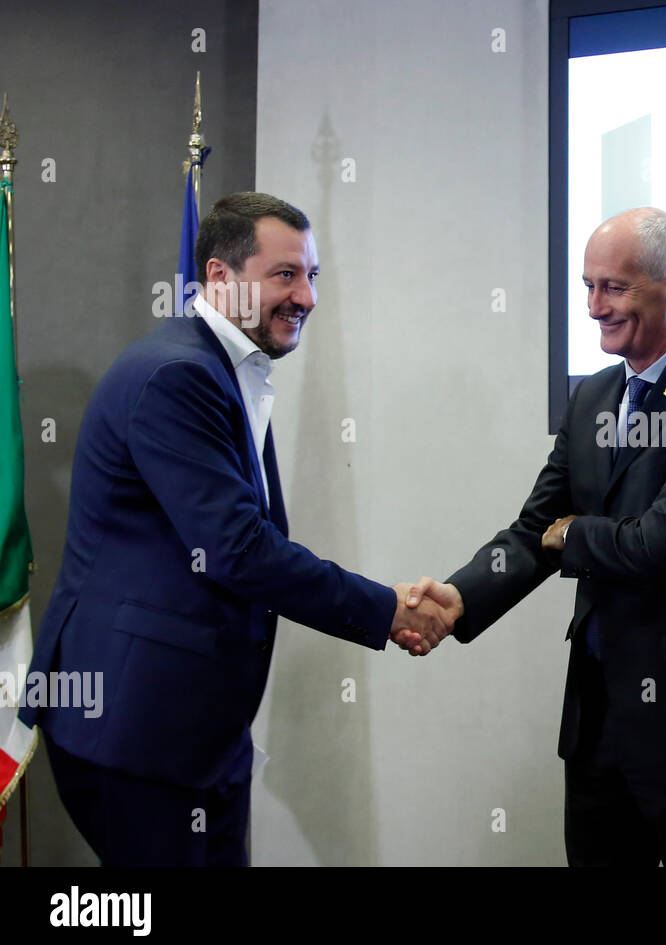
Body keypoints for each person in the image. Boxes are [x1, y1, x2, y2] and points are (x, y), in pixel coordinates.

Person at [19, 192, 451, 866]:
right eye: (285, 274)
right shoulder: (178, 376)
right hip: (138, 732)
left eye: (313, 276)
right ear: (219, 277)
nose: (306, 296)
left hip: (192, 737)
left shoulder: (226, 366)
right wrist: (387, 609)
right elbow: (239, 550)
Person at [406, 207, 666, 866]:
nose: (593, 307)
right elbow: (533, 529)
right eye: (587, 286)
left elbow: (662, 546)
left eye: (613, 287)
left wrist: (574, 534)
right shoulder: (593, 398)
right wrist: (461, 597)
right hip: (599, 724)